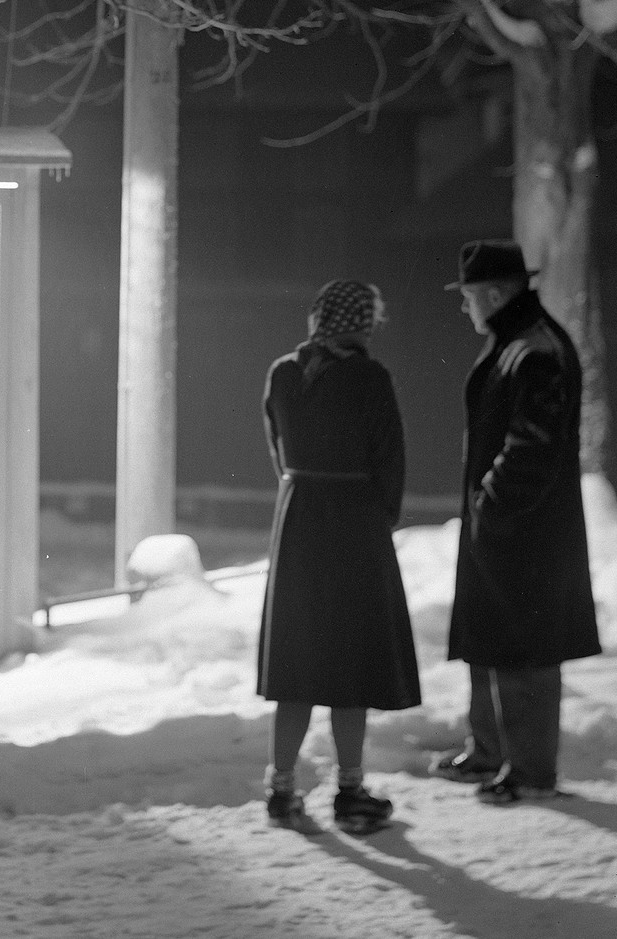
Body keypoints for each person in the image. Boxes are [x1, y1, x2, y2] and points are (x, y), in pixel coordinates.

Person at [428, 240, 602, 803]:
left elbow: (532, 446)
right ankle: (490, 752)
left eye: (471, 296)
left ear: (496, 294)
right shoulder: (520, 341)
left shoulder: (534, 350)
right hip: (511, 528)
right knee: (492, 641)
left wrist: (492, 504)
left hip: (527, 533)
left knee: (523, 649)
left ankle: (528, 769)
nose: (466, 308)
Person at [257, 279, 421, 834]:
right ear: (362, 324)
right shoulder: (371, 378)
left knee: (297, 664)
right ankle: (350, 791)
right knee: (351, 664)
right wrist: (382, 518)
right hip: (353, 523)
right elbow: (389, 459)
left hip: (299, 520)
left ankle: (281, 790)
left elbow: (278, 449)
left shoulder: (282, 372)